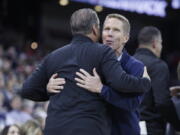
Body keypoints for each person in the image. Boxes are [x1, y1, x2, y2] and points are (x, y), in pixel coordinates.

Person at [21, 8, 150, 135]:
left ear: (126, 38)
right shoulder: (94, 56)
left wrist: (101, 89)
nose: (109, 33)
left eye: (116, 30)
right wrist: (48, 88)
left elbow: (132, 104)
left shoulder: (136, 66)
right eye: (106, 29)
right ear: (98, 31)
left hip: (121, 130)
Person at [134, 26, 180, 135]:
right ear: (155, 43)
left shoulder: (127, 63)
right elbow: (162, 103)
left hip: (128, 126)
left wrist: (166, 92)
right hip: (150, 128)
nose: (161, 47)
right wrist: (178, 125)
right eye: (161, 43)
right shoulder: (158, 65)